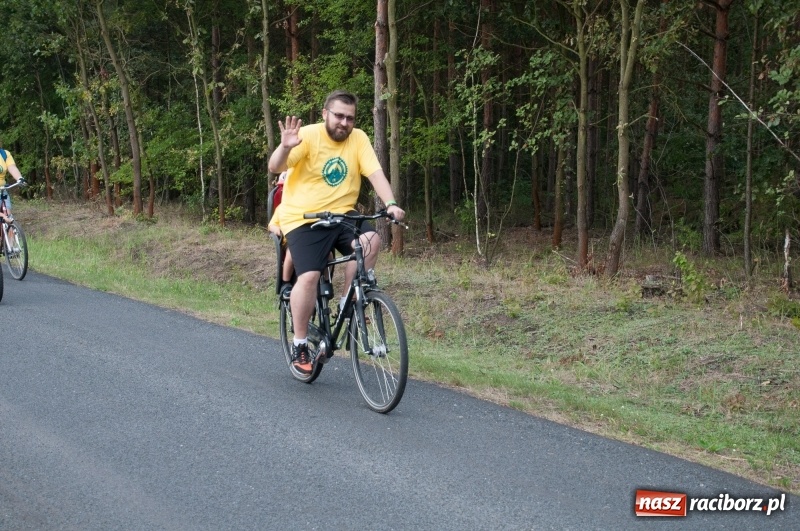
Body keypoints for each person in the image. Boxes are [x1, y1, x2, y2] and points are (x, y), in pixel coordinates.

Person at [267, 89, 405, 374]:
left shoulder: (359, 139)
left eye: (350, 118)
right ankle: (300, 343)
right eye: (339, 115)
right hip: (303, 218)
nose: (344, 122)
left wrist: (390, 203)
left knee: (370, 239)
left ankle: (348, 303)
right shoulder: (307, 135)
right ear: (325, 114)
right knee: (310, 274)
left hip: (342, 214)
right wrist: (285, 146)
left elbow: (375, 174)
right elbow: (275, 166)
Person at [0, 146, 26, 246]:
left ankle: (10, 247)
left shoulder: (4, 154)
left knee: (9, 217)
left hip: (2, 190)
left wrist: (19, 178)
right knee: (3, 216)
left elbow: (12, 167)